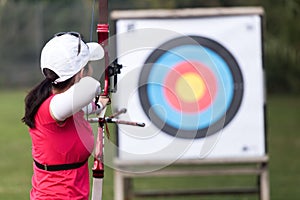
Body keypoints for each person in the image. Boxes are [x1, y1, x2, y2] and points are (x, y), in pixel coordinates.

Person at [22, 32, 109, 200]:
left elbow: (82, 108)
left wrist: (98, 105)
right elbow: (90, 87)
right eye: (87, 65)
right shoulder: (53, 107)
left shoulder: (68, 106)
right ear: (81, 72)